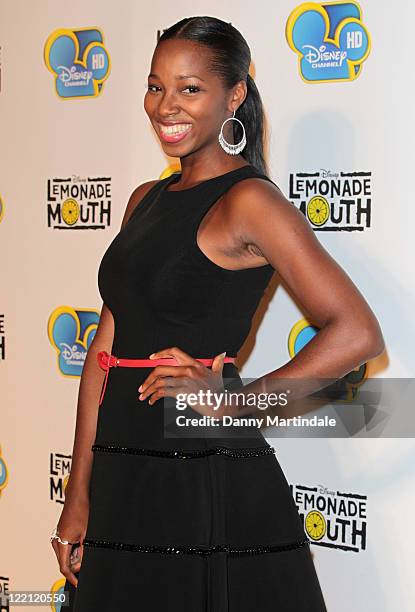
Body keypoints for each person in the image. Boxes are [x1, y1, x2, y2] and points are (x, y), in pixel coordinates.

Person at [51, 15, 385, 611]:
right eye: (156, 86)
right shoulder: (144, 200)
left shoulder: (249, 201)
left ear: (234, 95)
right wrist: (79, 493)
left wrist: (238, 401)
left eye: (190, 88)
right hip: (123, 471)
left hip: (199, 468)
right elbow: (101, 361)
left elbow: (356, 330)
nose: (165, 106)